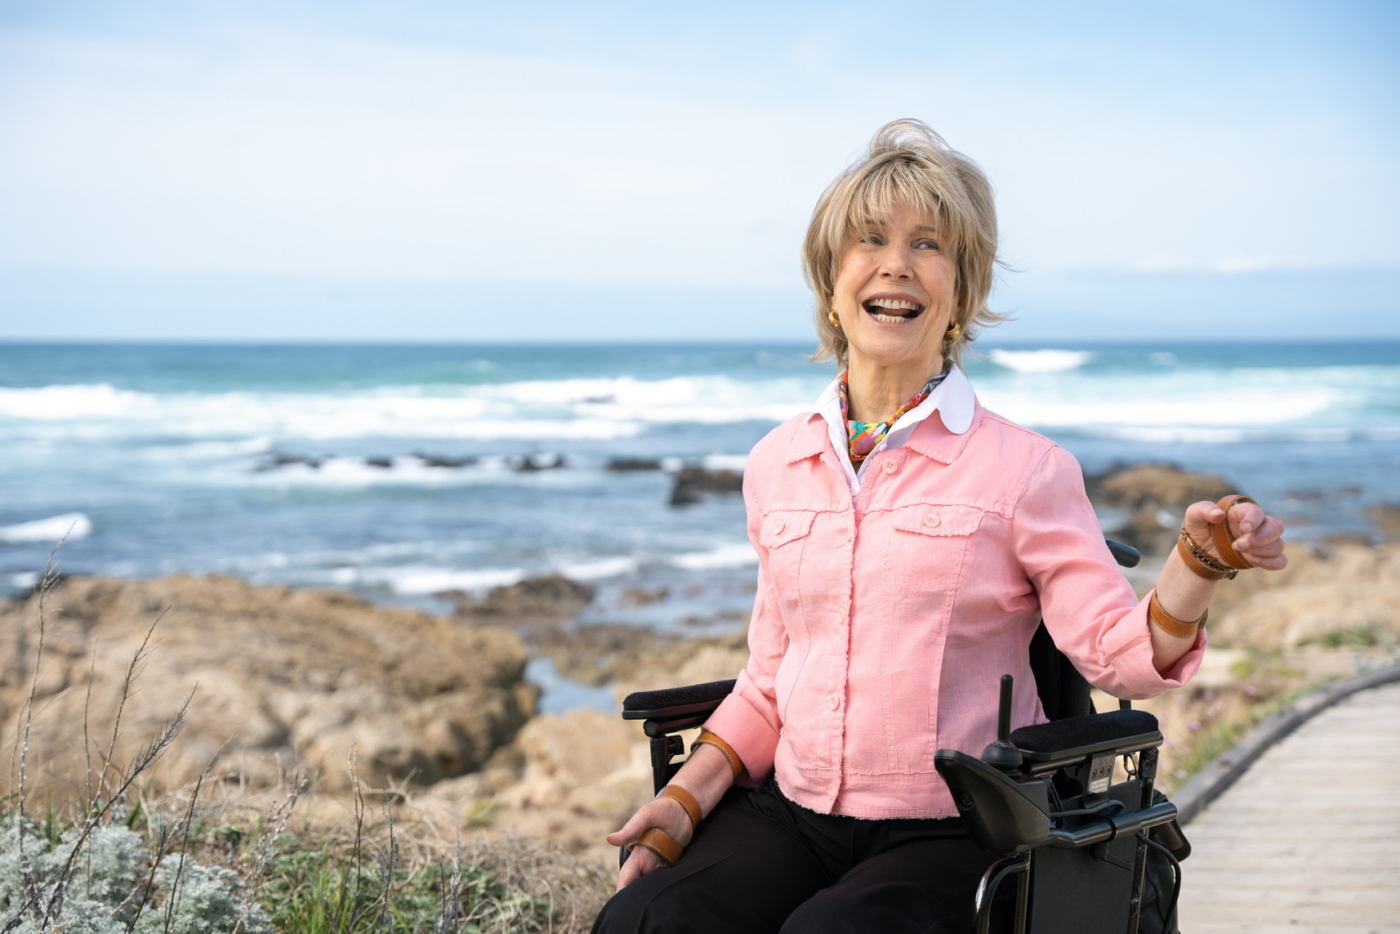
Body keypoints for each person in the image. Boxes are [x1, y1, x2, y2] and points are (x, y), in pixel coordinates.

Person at [592, 119, 1288, 934]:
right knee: (645, 920)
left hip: (957, 828)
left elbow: (1118, 657)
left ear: (961, 292)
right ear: (830, 279)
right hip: (793, 810)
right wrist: (685, 797)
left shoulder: (1026, 470)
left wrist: (1198, 566)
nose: (896, 263)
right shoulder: (775, 464)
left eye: (929, 244)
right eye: (870, 240)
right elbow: (771, 675)